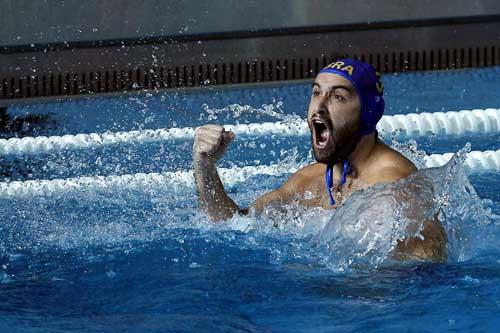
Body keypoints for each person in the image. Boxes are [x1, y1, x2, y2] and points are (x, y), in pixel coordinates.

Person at [193, 58, 446, 261]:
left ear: (368, 113)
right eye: (316, 93)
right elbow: (232, 223)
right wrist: (205, 165)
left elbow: (429, 264)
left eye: (337, 96)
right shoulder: (311, 180)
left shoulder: (397, 185)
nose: (319, 107)